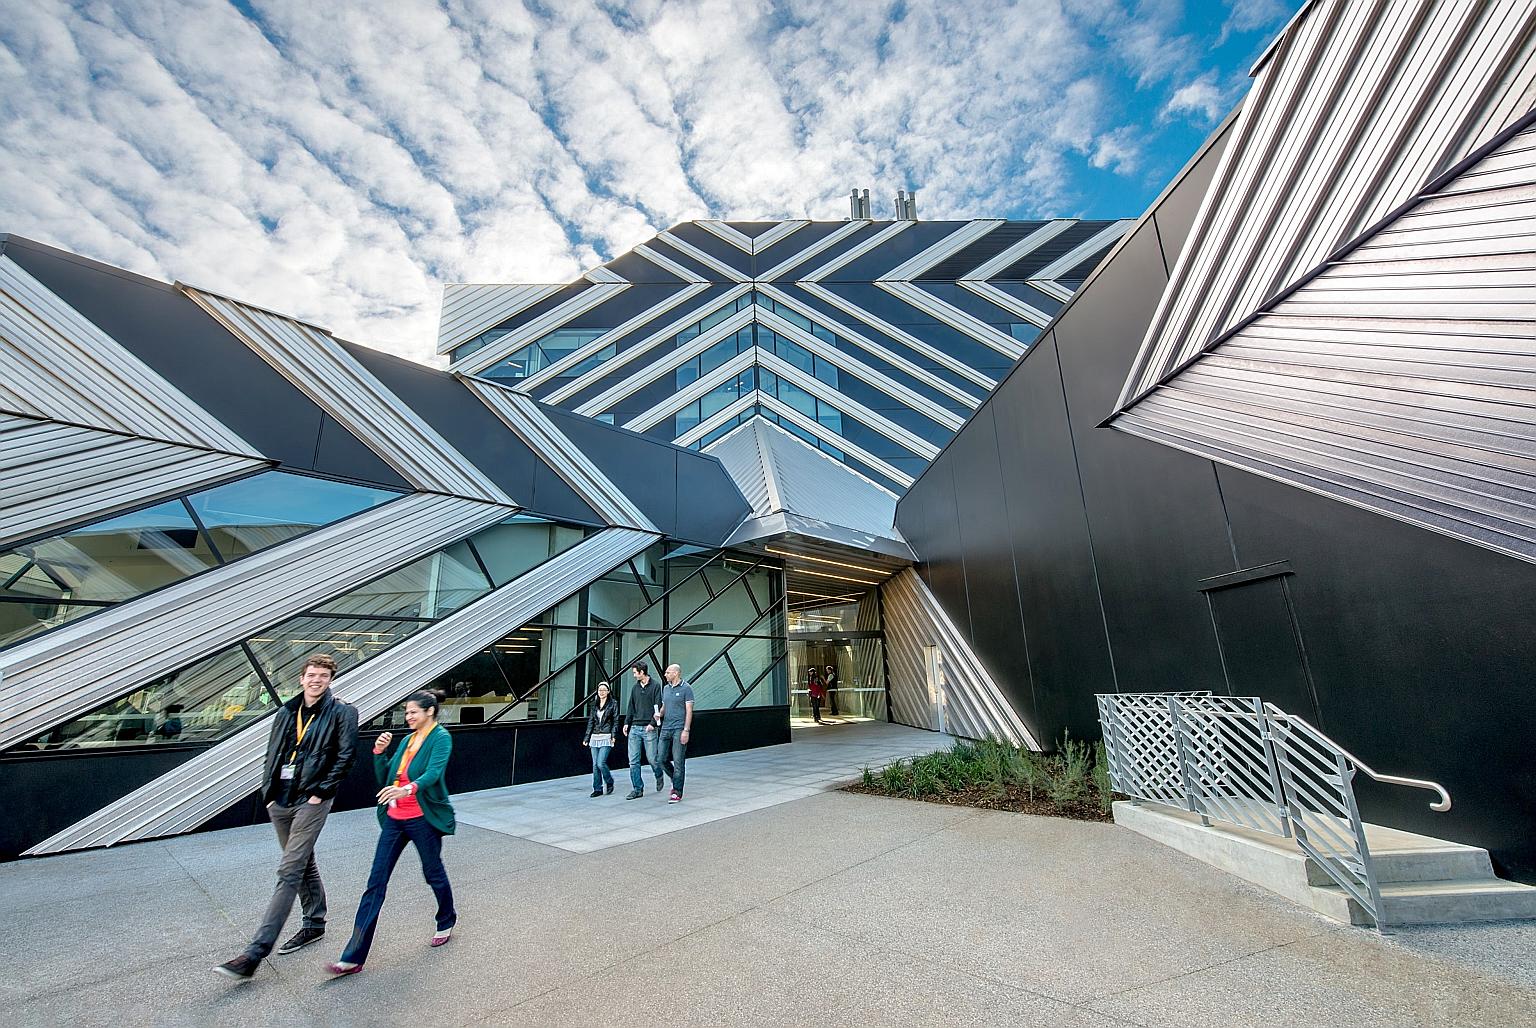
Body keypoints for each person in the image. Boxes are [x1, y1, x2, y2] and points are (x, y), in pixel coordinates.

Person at [216, 654, 358, 981]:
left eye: (323, 675)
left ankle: (254, 953)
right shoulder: (285, 713)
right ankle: (315, 923)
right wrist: (268, 796)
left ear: (329, 679)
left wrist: (320, 791)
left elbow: (346, 756)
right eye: (312, 674)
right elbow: (273, 753)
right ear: (302, 678)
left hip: (312, 800)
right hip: (280, 800)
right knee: (302, 861)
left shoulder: (342, 713)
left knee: (289, 870)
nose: (316, 680)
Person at [325, 689, 457, 976]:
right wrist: (378, 752)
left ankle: (446, 918)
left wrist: (407, 788)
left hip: (423, 818)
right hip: (395, 819)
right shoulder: (408, 740)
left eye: (413, 712)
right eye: (407, 712)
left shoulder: (440, 738)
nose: (408, 717)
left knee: (432, 873)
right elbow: (387, 776)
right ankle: (353, 957)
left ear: (429, 712)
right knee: (375, 883)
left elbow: (432, 774)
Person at [623, 662, 664, 800]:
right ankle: (637, 789)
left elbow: (658, 706)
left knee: (652, 759)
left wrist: (653, 724)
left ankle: (659, 774)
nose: (634, 675)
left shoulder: (656, 686)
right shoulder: (635, 688)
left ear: (642, 672)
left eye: (635, 673)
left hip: (649, 728)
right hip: (634, 728)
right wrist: (626, 723)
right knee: (633, 761)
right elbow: (631, 707)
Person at [657, 663, 694, 803]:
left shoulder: (686, 688)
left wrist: (686, 730)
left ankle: (677, 791)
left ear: (676, 673)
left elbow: (689, 710)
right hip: (665, 728)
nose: (665, 675)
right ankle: (675, 778)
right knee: (660, 759)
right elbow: (664, 707)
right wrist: (659, 714)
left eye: (668, 672)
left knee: (678, 760)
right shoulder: (666, 689)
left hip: (679, 728)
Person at [583, 681, 619, 797]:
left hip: (606, 735)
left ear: (608, 691)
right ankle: (597, 788)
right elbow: (591, 722)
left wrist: (613, 735)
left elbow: (615, 721)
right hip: (594, 736)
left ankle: (609, 781)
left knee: (601, 762)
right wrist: (587, 737)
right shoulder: (594, 704)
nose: (601, 692)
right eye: (599, 690)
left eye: (604, 690)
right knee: (595, 765)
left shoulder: (613, 703)